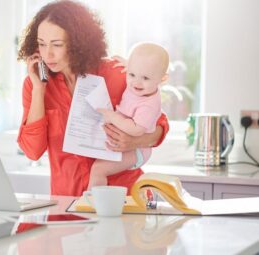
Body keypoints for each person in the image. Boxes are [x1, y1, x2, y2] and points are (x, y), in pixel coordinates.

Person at [17, 0, 169, 196]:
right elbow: (32, 151)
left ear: (77, 42)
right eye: (41, 44)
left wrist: (136, 141)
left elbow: (159, 123)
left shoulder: (116, 74)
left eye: (57, 44)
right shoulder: (34, 84)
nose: (48, 54)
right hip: (68, 202)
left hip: (123, 196)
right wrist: (39, 90)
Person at [87, 42, 169, 190]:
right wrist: (129, 65)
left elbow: (136, 130)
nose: (136, 82)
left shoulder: (149, 104)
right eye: (131, 74)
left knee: (98, 170)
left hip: (136, 152)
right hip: (129, 145)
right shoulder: (142, 85)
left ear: (162, 79)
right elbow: (140, 72)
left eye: (145, 78)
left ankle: (93, 203)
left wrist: (112, 117)